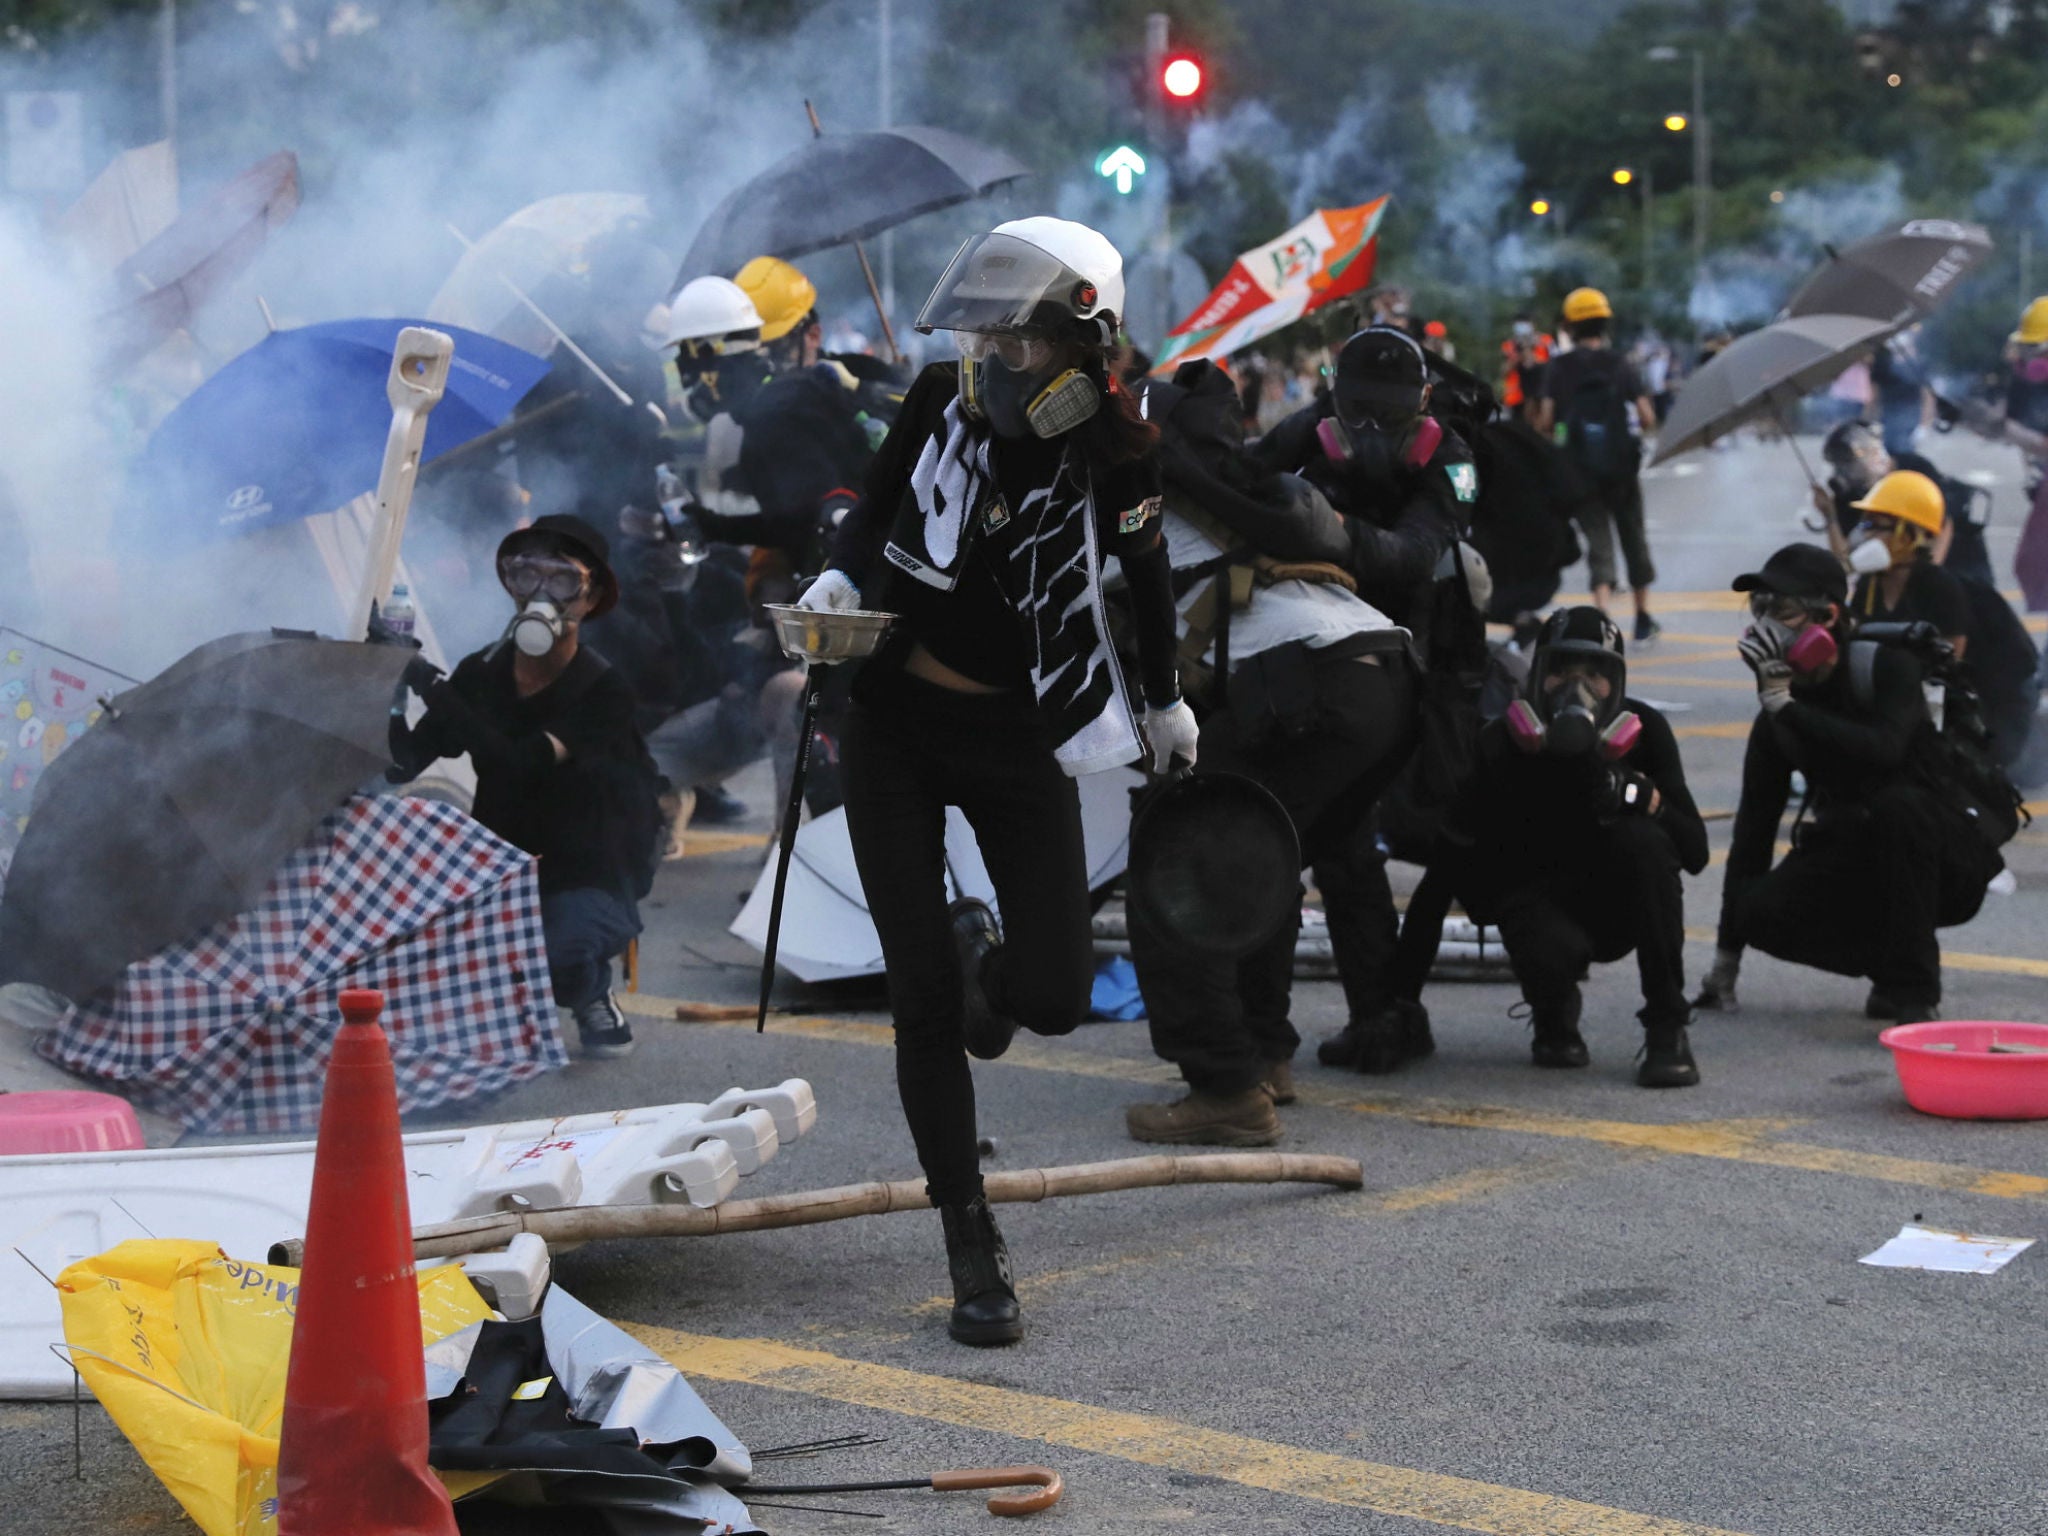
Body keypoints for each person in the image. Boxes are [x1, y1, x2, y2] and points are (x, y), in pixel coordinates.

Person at [798, 218, 1191, 1347]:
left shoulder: (1116, 450)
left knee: (1057, 995)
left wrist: (1162, 699)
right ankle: (969, 1240)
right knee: (919, 1002)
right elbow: (875, 505)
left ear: (1086, 345)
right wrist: (834, 575)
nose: (996, 363)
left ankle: (991, 970)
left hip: (1023, 732)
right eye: (987, 338)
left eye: (1019, 345)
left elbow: (1146, 576)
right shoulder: (938, 399)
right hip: (896, 726)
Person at [1121, 357, 1416, 1143]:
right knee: (1265, 859)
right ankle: (1264, 1053)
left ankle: (1225, 1085)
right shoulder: (1224, 481)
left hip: (1306, 684)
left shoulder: (1131, 496)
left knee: (1177, 860)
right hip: (1382, 675)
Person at [1388, 608, 1706, 1085]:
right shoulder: (1500, 746)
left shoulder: (1647, 735)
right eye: (1561, 670)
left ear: (1617, 683)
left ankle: (1667, 1027)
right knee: (1535, 925)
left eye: (1596, 674)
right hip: (1537, 907)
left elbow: (1695, 853)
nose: (1575, 688)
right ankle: (1553, 1013)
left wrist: (1643, 797)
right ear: (1537, 676)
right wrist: (1401, 1002)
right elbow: (1444, 870)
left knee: (1646, 843)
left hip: (1616, 908)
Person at [389, 514, 665, 1058]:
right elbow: (404, 763)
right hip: (503, 861)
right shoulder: (480, 674)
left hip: (593, 866)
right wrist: (389, 690)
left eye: (561, 581)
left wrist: (429, 682)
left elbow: (520, 762)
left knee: (558, 954)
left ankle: (588, 988)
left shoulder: (605, 690)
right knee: (429, 952)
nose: (541, 595)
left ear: (590, 598)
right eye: (526, 576)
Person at [1694, 544, 2005, 1024]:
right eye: (1759, 610)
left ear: (1827, 615)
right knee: (1760, 910)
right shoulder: (1778, 714)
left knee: (1899, 809)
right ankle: (1891, 964)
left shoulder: (1884, 666)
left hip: (1946, 858)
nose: (1765, 625)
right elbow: (1752, 836)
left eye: (1782, 610)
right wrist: (1724, 964)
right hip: (1857, 852)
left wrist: (1791, 710)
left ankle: (1914, 993)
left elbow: (1885, 750)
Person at [1535, 287, 1661, 641]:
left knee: (1599, 543)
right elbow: (1647, 417)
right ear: (1604, 323)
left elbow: (1546, 422)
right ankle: (1642, 617)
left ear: (1570, 327)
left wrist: (1564, 429)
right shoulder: (1621, 364)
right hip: (1622, 470)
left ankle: (1602, 616)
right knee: (1633, 538)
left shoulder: (1558, 368)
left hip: (1580, 473)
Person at [1497, 315, 1552, 422]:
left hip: (1539, 396)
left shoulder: (1545, 341)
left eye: (1525, 322)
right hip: (1516, 398)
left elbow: (1550, 365)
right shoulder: (1509, 345)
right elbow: (1504, 372)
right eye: (1519, 322)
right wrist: (1518, 356)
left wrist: (1530, 351)